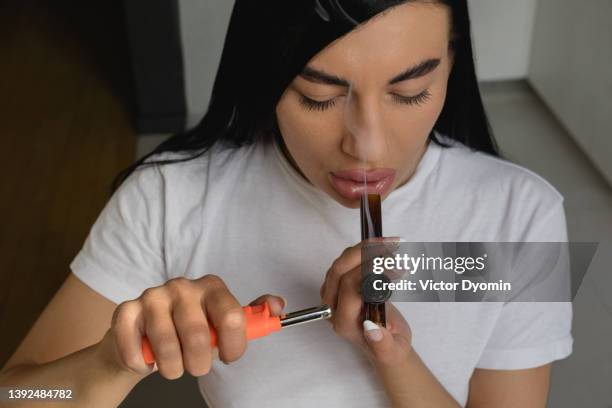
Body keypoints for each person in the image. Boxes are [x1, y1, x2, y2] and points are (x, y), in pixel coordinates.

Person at [0, 1, 572, 406]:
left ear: (453, 63)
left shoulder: (519, 217)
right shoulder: (171, 198)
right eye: (318, 97)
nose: (366, 145)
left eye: (410, 92)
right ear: (266, 73)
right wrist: (109, 364)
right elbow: (21, 393)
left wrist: (392, 356)